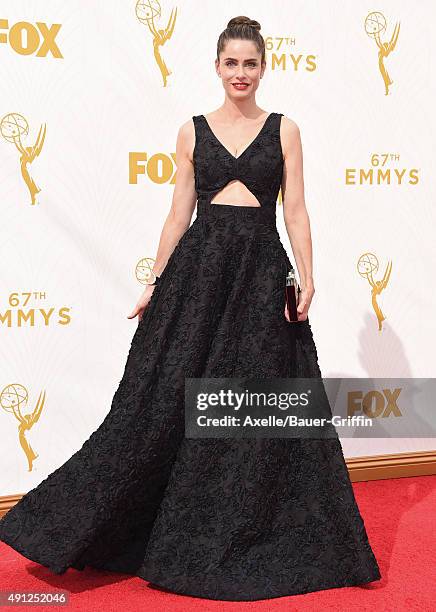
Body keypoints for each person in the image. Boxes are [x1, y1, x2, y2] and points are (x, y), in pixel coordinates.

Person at [0, 15, 381, 602]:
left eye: (250, 63)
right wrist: (155, 282)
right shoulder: (191, 131)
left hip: (258, 277)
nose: (241, 73)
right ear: (217, 66)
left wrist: (308, 275)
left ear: (264, 67)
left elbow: (296, 210)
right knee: (158, 404)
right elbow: (179, 213)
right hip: (198, 276)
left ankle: (234, 528)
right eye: (231, 63)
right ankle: (101, 524)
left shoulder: (285, 130)